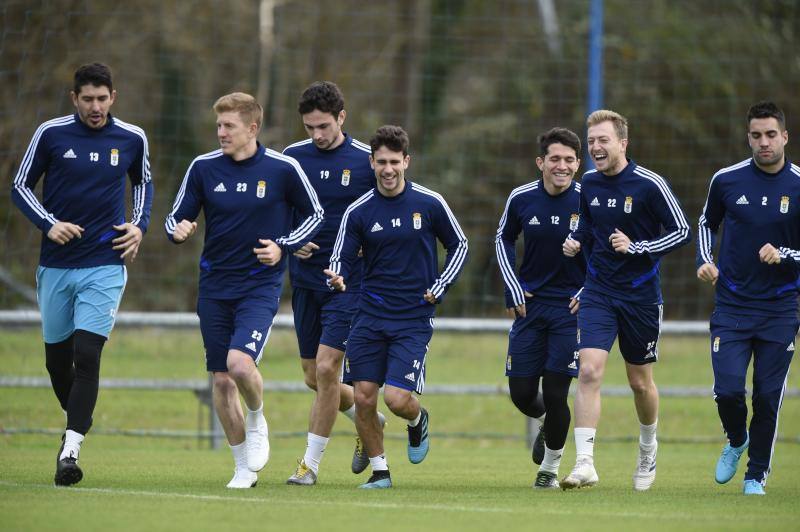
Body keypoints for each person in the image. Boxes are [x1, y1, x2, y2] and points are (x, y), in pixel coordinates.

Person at [165, 92, 323, 488]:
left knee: (239, 365)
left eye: (229, 126)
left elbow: (316, 214)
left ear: (252, 128)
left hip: (259, 286)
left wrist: (282, 246)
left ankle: (257, 416)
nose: (221, 132)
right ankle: (241, 468)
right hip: (214, 286)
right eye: (218, 125)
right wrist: (178, 229)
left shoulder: (283, 168)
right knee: (220, 381)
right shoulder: (202, 168)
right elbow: (175, 217)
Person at [11, 62, 153, 486]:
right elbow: (19, 185)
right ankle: (77, 420)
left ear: (114, 97)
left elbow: (143, 185)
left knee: (87, 354)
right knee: (57, 363)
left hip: (105, 263)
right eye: (87, 99)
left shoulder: (132, 138)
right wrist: (49, 224)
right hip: (55, 266)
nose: (95, 106)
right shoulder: (51, 133)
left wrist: (138, 225)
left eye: (102, 98)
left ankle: (71, 448)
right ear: (74, 98)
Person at [326, 125, 468, 489]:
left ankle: (417, 419)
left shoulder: (430, 203)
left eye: (394, 161)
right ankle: (380, 472)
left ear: (406, 161)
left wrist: (440, 285)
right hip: (369, 315)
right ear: (371, 163)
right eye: (380, 162)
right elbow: (340, 256)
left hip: (413, 317)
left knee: (397, 399)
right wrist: (338, 277)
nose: (387, 169)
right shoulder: (358, 211)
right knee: (363, 396)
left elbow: (460, 246)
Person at [561, 109, 691, 491]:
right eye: (591, 142)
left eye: (603, 140)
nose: (596, 148)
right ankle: (585, 462)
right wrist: (577, 240)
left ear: (623, 143)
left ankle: (648, 446)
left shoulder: (650, 185)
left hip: (641, 298)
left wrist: (639, 248)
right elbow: (587, 225)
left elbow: (681, 229)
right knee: (588, 371)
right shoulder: (589, 183)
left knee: (639, 382)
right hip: (599, 292)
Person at [282, 81, 385, 485]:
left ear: (342, 118)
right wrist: (292, 241)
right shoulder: (292, 158)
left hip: (349, 284)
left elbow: (386, 209)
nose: (317, 135)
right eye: (310, 127)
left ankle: (309, 465)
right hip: (305, 282)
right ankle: (368, 416)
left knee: (328, 368)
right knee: (313, 374)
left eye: (324, 126)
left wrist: (367, 248)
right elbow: (279, 211)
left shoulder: (366, 161)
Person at [697, 101, 799, 496]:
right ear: (748, 138)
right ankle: (736, 439)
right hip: (733, 305)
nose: (764, 143)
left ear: (785, 136)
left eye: (771, 134)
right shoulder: (726, 180)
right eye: (756, 135)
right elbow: (707, 223)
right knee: (727, 390)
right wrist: (706, 260)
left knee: (768, 396)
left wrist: (785, 254)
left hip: (780, 308)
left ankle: (756, 474)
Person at [495, 127, 585, 489]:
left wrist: (588, 288)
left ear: (578, 164)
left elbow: (606, 254)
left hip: (571, 310)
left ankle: (549, 467)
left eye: (568, 160)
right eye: (554, 159)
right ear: (540, 162)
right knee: (520, 393)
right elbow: (502, 239)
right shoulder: (521, 198)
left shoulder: (588, 199)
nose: (561, 166)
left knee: (557, 392)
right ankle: (548, 422)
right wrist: (513, 287)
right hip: (530, 309)